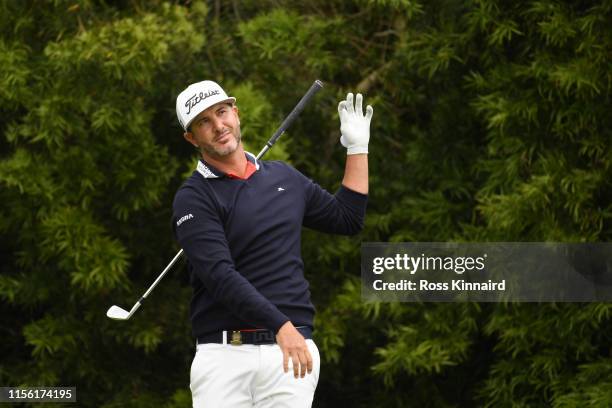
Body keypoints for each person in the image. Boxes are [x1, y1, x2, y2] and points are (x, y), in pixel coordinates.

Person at [172, 80, 373, 408]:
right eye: (203, 122)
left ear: (236, 114)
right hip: (225, 358)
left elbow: (347, 219)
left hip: (291, 357)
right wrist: (281, 325)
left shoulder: (284, 178)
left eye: (222, 113)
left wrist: (358, 148)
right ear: (192, 138)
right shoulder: (193, 198)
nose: (218, 126)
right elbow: (220, 276)